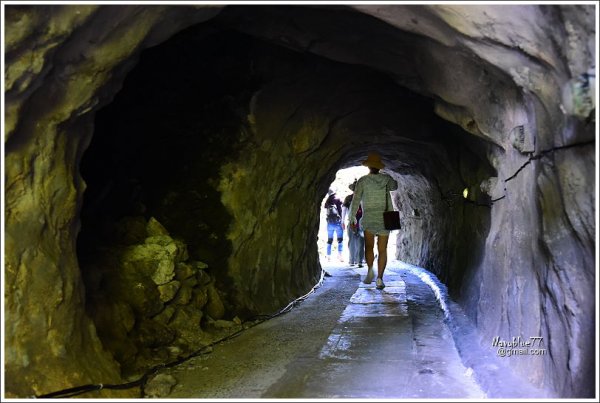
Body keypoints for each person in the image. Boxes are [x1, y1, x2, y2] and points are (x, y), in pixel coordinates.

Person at [349, 152, 398, 289]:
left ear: (368, 167)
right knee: (382, 249)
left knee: (369, 247)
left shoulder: (363, 181)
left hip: (369, 218)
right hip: (385, 219)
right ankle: (380, 279)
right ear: (379, 167)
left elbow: (356, 200)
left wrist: (352, 218)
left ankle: (370, 270)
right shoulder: (386, 179)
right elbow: (395, 186)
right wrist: (389, 179)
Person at [342, 180, 365, 267]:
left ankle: (352, 261)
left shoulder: (348, 198)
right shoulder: (364, 197)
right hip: (362, 222)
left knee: (352, 242)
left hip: (352, 222)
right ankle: (359, 261)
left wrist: (342, 221)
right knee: (361, 242)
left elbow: (344, 210)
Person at [324, 189, 344, 262]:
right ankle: (340, 255)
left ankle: (328, 256)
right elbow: (341, 209)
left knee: (329, 240)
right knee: (340, 239)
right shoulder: (338, 199)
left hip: (329, 223)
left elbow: (325, 208)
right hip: (338, 222)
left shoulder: (327, 201)